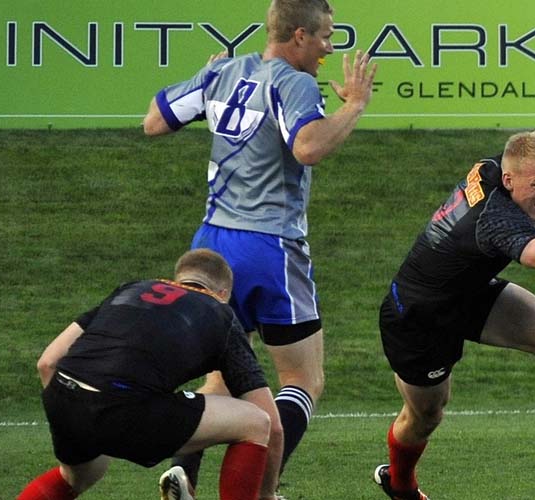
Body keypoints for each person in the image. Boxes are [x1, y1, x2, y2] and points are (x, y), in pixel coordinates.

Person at [373, 46, 535, 500]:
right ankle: (400, 484)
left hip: (468, 292)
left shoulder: (498, 168)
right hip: (418, 316)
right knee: (425, 416)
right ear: (513, 182)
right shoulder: (497, 222)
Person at [142, 0, 377, 496]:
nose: (328, 49)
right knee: (303, 379)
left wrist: (207, 81)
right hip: (269, 247)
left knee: (223, 377)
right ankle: (260, 490)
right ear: (299, 36)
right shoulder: (294, 83)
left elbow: (155, 122)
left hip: (211, 246)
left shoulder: (223, 72)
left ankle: (183, 468)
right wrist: (354, 105)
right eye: (325, 37)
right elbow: (308, 147)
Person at [17, 249, 279, 500]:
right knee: (255, 423)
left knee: (77, 478)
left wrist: (79, 412)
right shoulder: (221, 313)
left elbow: (48, 362)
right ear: (222, 294)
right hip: (123, 406)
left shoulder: (131, 289)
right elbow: (271, 422)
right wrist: (266, 494)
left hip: (63, 396)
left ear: (179, 278)